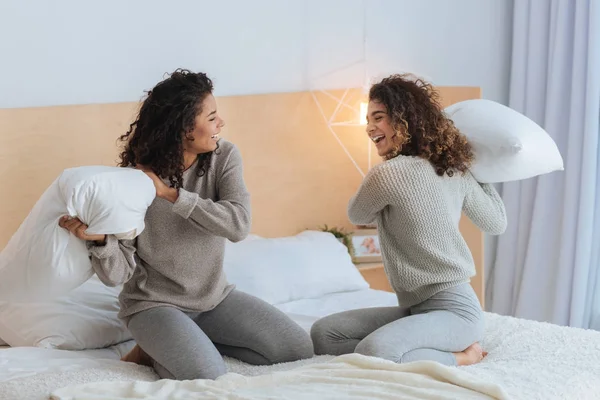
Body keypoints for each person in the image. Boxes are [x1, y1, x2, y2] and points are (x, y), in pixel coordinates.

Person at [59, 69, 313, 380]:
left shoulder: (224, 156)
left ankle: (186, 343)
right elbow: (117, 275)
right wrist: (101, 241)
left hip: (214, 300)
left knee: (296, 348)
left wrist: (172, 196)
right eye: (212, 117)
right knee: (206, 373)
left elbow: (238, 225)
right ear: (184, 128)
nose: (221, 124)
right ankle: (158, 347)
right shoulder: (134, 182)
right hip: (154, 305)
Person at [310, 74, 507, 367]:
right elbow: (498, 223)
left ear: (404, 119)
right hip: (418, 308)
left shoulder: (389, 173)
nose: (369, 128)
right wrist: (477, 173)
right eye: (368, 119)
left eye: (378, 117)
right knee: (324, 333)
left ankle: (463, 356)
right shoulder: (452, 169)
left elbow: (358, 214)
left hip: (456, 310)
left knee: (375, 351)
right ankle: (404, 347)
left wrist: (474, 171)